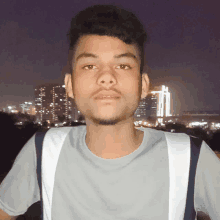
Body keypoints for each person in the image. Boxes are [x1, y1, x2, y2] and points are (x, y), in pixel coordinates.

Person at [0, 4, 220, 220]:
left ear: (143, 85)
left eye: (123, 65)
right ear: (70, 85)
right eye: (90, 66)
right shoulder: (43, 150)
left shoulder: (191, 157)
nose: (106, 77)